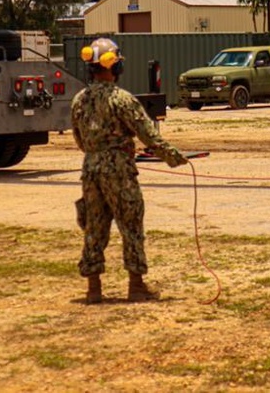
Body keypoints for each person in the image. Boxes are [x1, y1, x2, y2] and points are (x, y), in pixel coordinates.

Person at [71, 37, 188, 304]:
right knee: (131, 224)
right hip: (119, 171)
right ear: (114, 67)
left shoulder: (79, 100)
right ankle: (136, 285)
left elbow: (79, 140)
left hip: (90, 169)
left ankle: (93, 289)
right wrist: (172, 156)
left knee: (94, 226)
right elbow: (147, 135)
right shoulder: (122, 99)